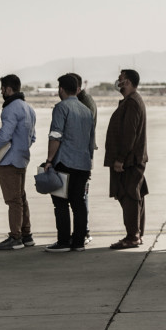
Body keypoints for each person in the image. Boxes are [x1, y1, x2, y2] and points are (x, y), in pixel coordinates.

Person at [42, 74, 94, 253]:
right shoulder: (86, 110)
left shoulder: (61, 108)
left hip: (64, 162)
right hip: (83, 163)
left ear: (61, 89)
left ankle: (63, 241)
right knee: (78, 203)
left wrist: (49, 160)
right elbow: (90, 140)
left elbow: (56, 136)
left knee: (61, 203)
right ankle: (78, 242)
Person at [0, 74, 37, 250]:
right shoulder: (28, 108)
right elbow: (33, 137)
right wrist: (22, 147)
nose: (1, 92)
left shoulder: (10, 108)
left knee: (13, 200)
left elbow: (5, 134)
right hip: (22, 159)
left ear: (9, 89)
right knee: (21, 198)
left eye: (2, 89)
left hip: (9, 161)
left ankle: (15, 237)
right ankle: (27, 235)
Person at [104, 69, 148, 250]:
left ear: (128, 82)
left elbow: (130, 133)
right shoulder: (131, 101)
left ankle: (133, 236)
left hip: (129, 161)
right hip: (131, 160)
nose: (118, 82)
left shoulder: (132, 103)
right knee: (135, 195)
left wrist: (120, 159)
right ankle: (137, 233)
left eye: (120, 80)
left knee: (129, 196)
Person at [68, 72, 97, 245]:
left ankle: (83, 231)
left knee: (81, 195)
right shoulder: (84, 101)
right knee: (80, 195)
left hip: (81, 156)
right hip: (83, 155)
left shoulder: (84, 104)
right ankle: (82, 230)